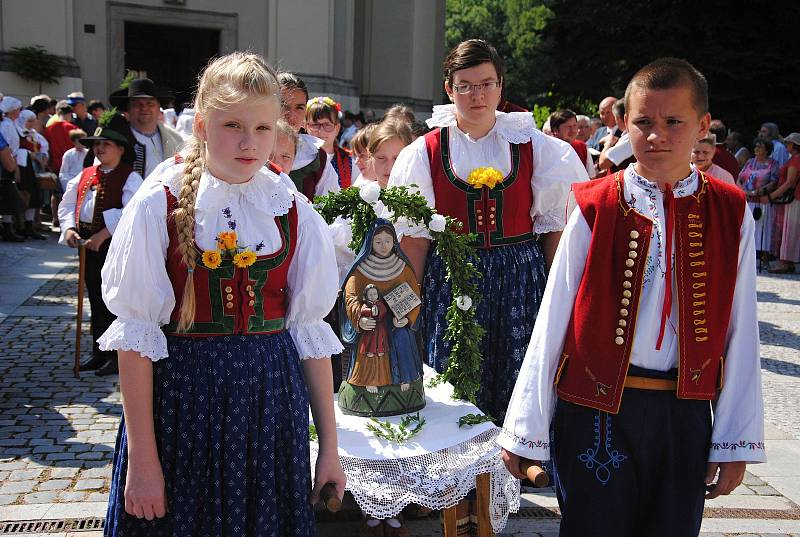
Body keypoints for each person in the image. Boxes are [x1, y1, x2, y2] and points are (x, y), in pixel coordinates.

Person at [500, 58, 764, 537]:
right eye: (643, 122)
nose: (657, 135)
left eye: (673, 122)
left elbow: (741, 330)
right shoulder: (595, 203)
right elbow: (554, 316)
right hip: (595, 413)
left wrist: (735, 441)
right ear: (624, 124)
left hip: (683, 414)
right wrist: (527, 427)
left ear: (703, 126)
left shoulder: (731, 213)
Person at [96, 51, 345, 536]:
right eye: (233, 125)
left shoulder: (290, 207)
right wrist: (143, 464)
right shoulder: (159, 202)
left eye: (263, 128)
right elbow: (134, 340)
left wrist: (329, 452)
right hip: (183, 410)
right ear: (204, 123)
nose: (249, 143)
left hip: (270, 410)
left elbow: (310, 338)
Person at [388, 39, 587, 424]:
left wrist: (557, 300)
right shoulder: (424, 152)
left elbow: (555, 234)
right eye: (465, 85)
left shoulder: (537, 147)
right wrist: (403, 309)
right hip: (451, 280)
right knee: (453, 380)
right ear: (449, 89)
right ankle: (456, 474)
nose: (477, 95)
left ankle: (514, 468)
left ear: (500, 86)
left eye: (486, 83)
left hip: (519, 280)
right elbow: (413, 242)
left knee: (519, 380)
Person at [59, 113, 144, 377]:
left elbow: (131, 212)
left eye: (106, 144)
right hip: (88, 244)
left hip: (114, 246)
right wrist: (70, 228)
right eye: (97, 144)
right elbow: (67, 204)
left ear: (120, 149)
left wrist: (103, 234)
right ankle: (99, 352)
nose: (100, 148)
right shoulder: (85, 175)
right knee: (95, 297)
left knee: (113, 300)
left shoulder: (130, 178)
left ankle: (116, 356)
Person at [277, 72, 339, 199]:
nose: (291, 115)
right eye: (284, 106)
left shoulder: (317, 158)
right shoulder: (254, 150)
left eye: (299, 108)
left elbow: (330, 208)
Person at [118, 79, 185, 178]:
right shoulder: (117, 140)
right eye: (137, 104)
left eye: (150, 104)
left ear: (158, 107)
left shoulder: (175, 139)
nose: (144, 108)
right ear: (128, 109)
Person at [1, 97, 46, 239]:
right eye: (18, 109)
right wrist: (14, 167)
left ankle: (25, 226)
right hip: (15, 162)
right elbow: (8, 147)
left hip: (21, 162)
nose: (19, 112)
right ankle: (10, 227)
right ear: (13, 110)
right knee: (11, 194)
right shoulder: (7, 125)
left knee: (29, 192)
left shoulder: (13, 124)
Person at [764, 132, 800, 273]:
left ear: (795, 145)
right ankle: (787, 261)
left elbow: (790, 182)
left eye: (788, 143)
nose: (786, 145)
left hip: (794, 199)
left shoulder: (796, 159)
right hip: (795, 199)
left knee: (790, 230)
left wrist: (772, 196)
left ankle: (786, 262)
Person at [306, 96, 360, 188]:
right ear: (306, 126)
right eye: (315, 125)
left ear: (337, 128)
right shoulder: (298, 159)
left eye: (327, 125)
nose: (321, 131)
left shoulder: (350, 162)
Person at [738, 137, 780, 257]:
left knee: (763, 230)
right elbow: (739, 178)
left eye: (759, 146)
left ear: (767, 150)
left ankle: (764, 256)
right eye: (755, 146)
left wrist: (756, 192)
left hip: (762, 202)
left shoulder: (773, 164)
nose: (756, 148)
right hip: (746, 200)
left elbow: (773, 182)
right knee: (746, 228)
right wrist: (742, 191)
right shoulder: (750, 161)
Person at [550, 109, 596, 179]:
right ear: (555, 130)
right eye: (568, 127)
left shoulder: (582, 147)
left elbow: (591, 177)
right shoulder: (546, 149)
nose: (573, 130)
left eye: (574, 125)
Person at [368, 119, 412, 188]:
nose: (390, 167)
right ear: (369, 155)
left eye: (397, 158)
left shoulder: (424, 196)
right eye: (381, 158)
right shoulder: (359, 197)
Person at [597, 100, 634, 172]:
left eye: (615, 117)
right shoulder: (629, 136)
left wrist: (608, 143)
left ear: (621, 118)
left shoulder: (629, 138)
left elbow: (603, 163)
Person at [44, 101, 79, 173]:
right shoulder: (74, 129)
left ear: (57, 113)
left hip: (54, 166)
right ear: (70, 114)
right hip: (72, 166)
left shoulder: (48, 129)